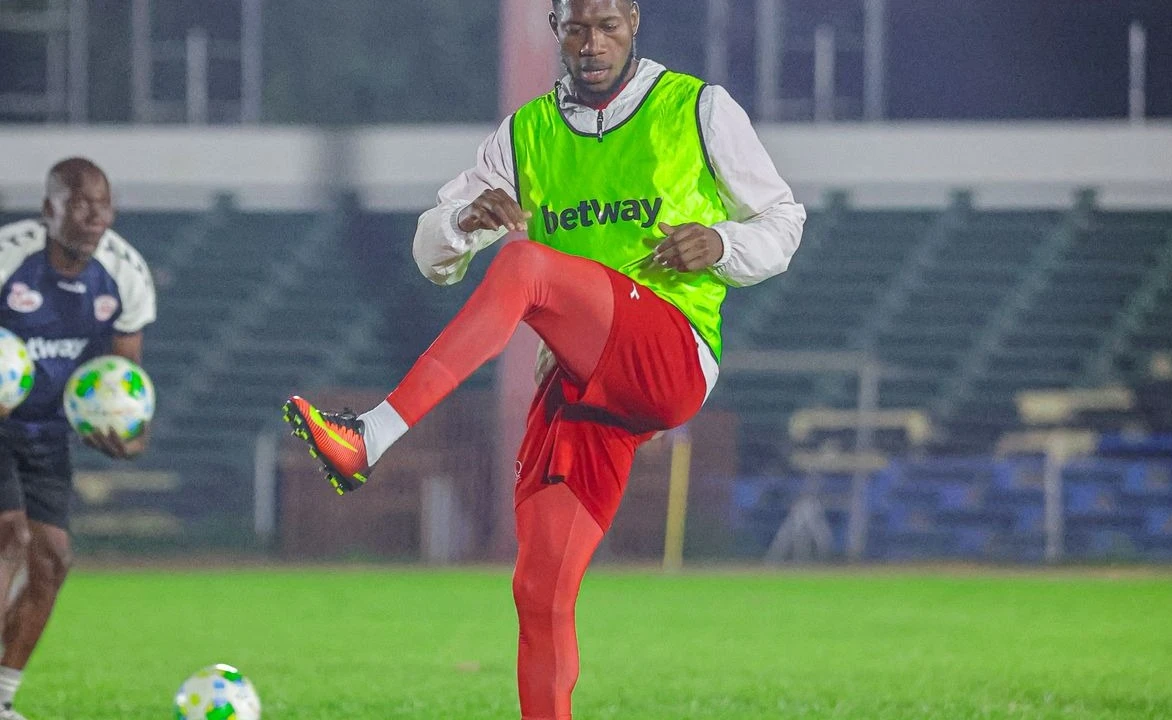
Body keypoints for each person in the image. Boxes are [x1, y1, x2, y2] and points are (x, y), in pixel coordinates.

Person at [283, 0, 804, 716]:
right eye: (576, 28)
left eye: (608, 26)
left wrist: (722, 242)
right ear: (556, 28)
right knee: (540, 589)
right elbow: (430, 248)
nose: (592, 43)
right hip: (582, 384)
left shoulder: (698, 109)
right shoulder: (525, 133)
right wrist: (463, 223)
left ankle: (371, 434)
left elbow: (783, 220)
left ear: (635, 21)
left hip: (672, 351)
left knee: (527, 264)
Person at [0, 158, 156, 720]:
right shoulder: (9, 259)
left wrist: (127, 433)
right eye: (80, 203)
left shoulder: (126, 275)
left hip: (48, 433)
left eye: (103, 203)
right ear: (50, 210)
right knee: (10, 534)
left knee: (53, 562)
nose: (95, 216)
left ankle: (3, 699)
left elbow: (125, 380)